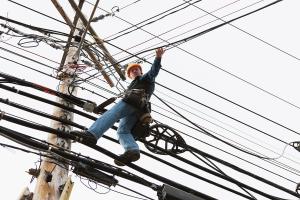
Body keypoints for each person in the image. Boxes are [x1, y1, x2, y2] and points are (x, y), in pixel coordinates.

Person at [74, 47, 165, 166]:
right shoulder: (134, 84)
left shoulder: (145, 78)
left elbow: (153, 71)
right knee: (122, 131)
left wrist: (158, 58)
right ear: (129, 75)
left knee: (111, 115)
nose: (135, 71)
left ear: (141, 72)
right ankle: (132, 150)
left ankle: (92, 134)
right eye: (132, 71)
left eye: (137, 69)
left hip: (131, 102)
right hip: (138, 110)